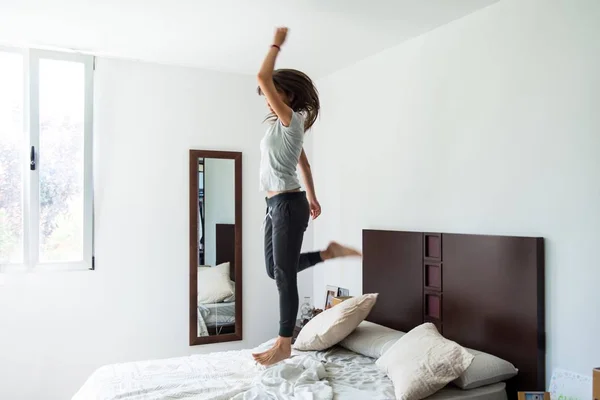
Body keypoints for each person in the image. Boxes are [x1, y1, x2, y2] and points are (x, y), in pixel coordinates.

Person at [252, 27, 361, 366]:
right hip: (277, 205)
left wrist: (275, 44)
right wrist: (313, 198)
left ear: (289, 97)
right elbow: (305, 163)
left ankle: (285, 343)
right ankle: (328, 253)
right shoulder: (284, 125)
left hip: (286, 205)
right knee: (275, 271)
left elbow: (261, 75)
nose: (268, 96)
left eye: (274, 92)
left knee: (283, 276)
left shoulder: (291, 119)